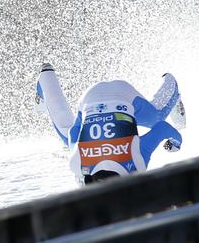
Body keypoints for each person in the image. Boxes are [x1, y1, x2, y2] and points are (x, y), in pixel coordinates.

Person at [36, 63, 184, 184]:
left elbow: (163, 128)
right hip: (91, 97)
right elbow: (73, 133)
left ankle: (173, 89)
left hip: (120, 94)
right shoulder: (77, 165)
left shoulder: (136, 164)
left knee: (157, 118)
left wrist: (176, 143)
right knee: (66, 137)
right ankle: (46, 79)